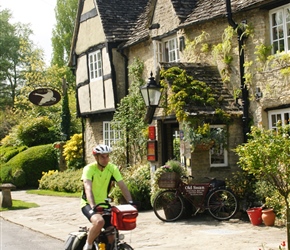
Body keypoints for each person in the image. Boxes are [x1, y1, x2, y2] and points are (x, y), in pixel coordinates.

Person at [81, 144, 133, 250]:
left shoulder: (112, 168)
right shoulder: (89, 169)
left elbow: (122, 185)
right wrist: (93, 206)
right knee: (99, 222)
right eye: (102, 157)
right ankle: (88, 244)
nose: (105, 160)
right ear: (96, 157)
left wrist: (131, 202)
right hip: (88, 204)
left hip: (104, 204)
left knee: (112, 231)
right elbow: (88, 188)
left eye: (107, 156)